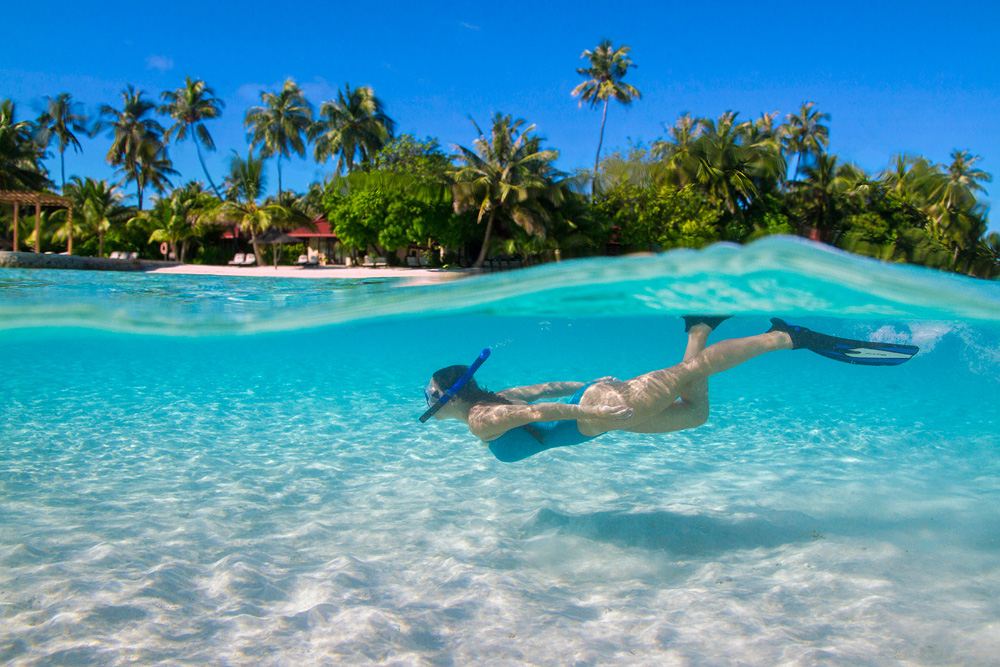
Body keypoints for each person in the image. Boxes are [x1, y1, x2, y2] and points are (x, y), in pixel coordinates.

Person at [420, 317, 919, 462]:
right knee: (695, 413)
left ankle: (786, 337)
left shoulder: (481, 420)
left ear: (450, 397)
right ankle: (699, 326)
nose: (429, 406)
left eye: (430, 397)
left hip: (597, 414)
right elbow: (549, 387)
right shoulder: (497, 396)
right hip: (595, 410)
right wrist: (589, 385)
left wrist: (595, 403)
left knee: (685, 376)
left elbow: (537, 412)